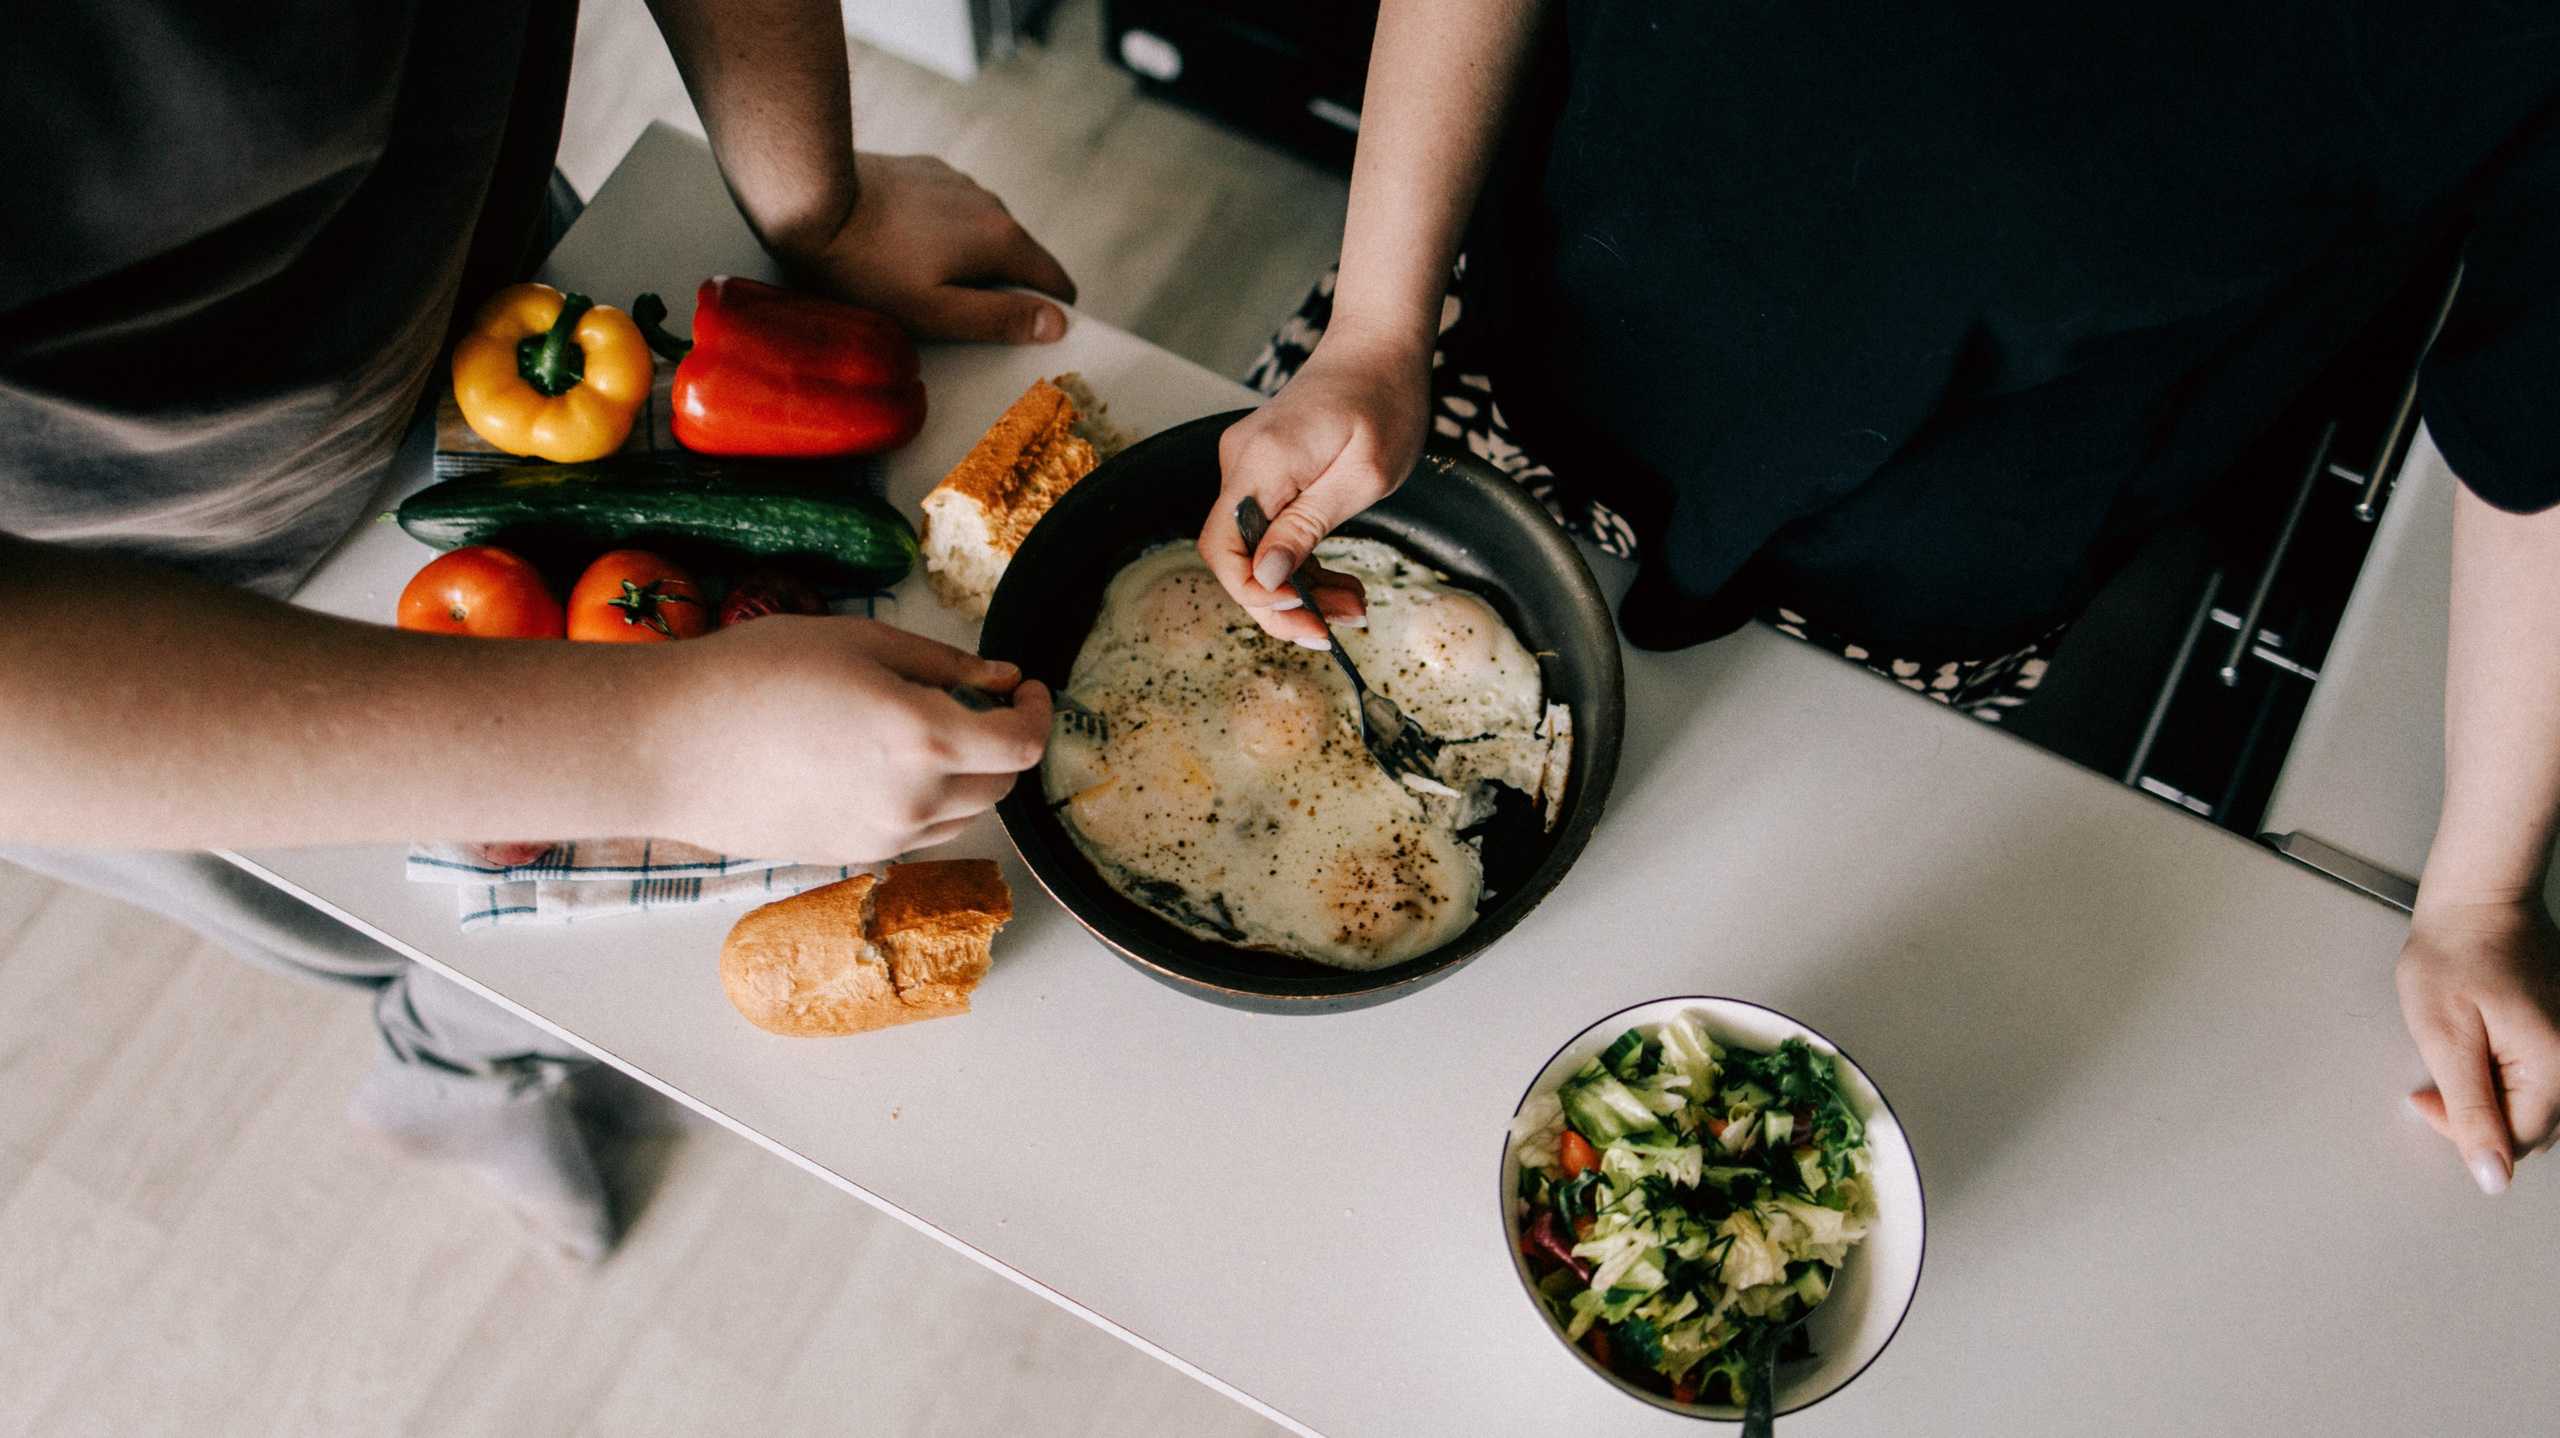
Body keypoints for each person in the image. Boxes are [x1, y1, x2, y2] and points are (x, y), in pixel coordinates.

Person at [1205, 1, 2560, 1195]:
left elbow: (2541, 428)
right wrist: (1375, 327)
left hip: (1941, 547)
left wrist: (2482, 893)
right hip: (1477, 338)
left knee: (1686, 927)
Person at [0, 0, 1064, 1263]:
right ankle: (453, 1079)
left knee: (602, 933)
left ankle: (477, 1056)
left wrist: (815, 203)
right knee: (442, 937)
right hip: (162, 621)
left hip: (520, 321)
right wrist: (671, 747)